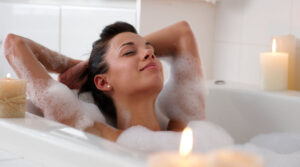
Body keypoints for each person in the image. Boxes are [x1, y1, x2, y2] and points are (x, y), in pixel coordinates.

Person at [4, 21, 205, 142]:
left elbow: (182, 32)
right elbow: (15, 44)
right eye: (128, 52)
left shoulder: (182, 129)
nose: (150, 53)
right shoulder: (99, 135)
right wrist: (71, 65)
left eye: (149, 48)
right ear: (102, 82)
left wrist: (86, 65)